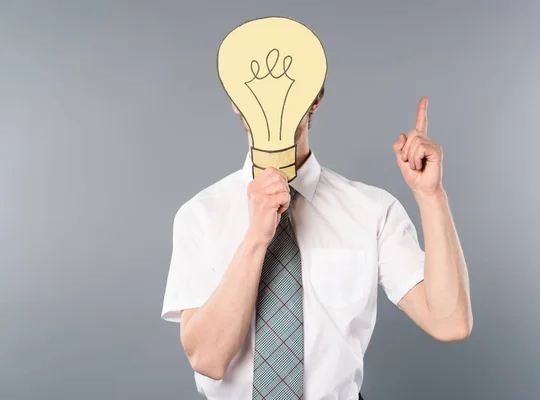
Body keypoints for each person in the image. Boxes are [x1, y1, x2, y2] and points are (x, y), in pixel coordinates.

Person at [161, 86, 473, 399]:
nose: (272, 96)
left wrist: (430, 195)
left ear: (316, 97)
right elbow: (207, 359)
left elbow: (449, 322)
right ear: (235, 100)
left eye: (290, 81)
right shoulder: (199, 215)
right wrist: (256, 237)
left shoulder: (373, 211)